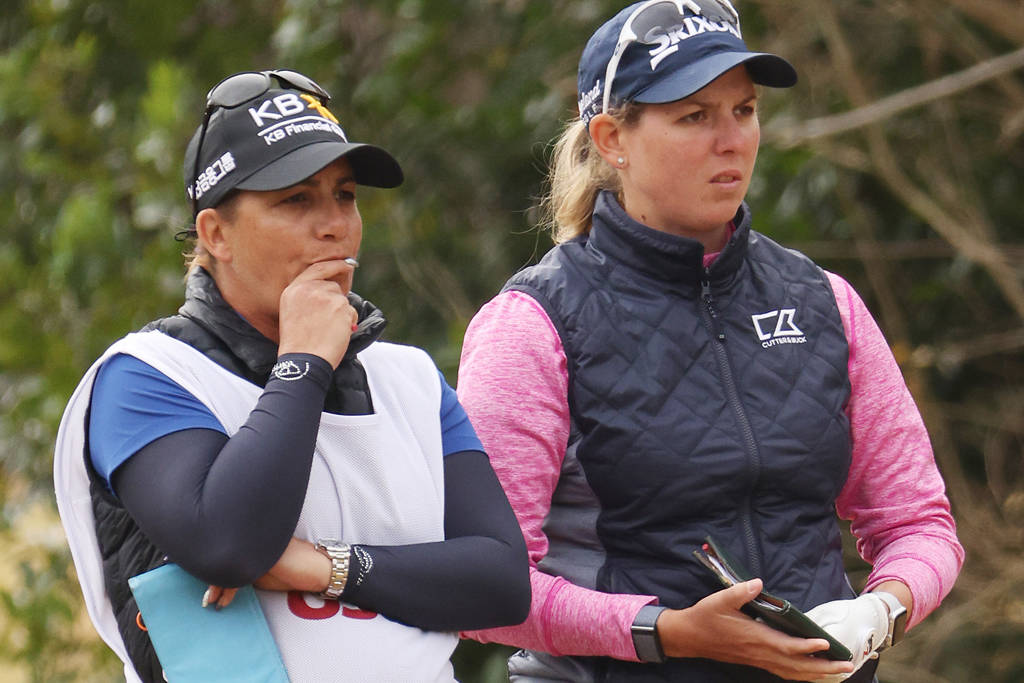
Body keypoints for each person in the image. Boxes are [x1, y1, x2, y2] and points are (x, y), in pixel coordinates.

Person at [456, 2, 963, 681]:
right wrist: (663, 632)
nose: (731, 139)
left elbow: (919, 522)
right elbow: (481, 587)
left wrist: (881, 611)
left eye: (744, 110)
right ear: (612, 138)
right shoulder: (530, 323)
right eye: (695, 116)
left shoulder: (823, 301)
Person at [53, 68, 530, 683]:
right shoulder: (145, 376)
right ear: (215, 233)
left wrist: (318, 566)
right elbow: (230, 545)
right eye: (295, 199)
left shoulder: (408, 378)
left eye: (345, 195)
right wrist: (302, 364)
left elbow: (500, 583)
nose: (334, 224)